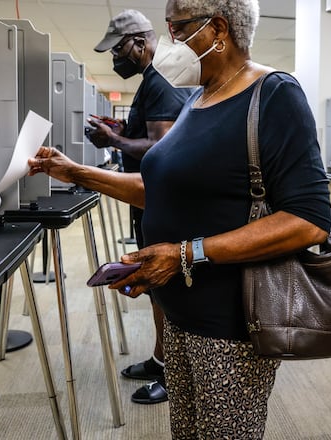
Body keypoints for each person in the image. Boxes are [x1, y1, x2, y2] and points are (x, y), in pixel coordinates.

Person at [29, 0, 331, 437]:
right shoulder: (197, 98)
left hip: (229, 324)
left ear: (217, 29)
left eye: (177, 27)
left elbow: (308, 219)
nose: (167, 40)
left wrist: (184, 253)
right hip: (179, 311)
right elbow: (163, 187)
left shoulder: (274, 93)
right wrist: (74, 171)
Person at [90, 9, 193, 405]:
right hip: (148, 199)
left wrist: (115, 143)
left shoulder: (162, 79)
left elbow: (163, 149)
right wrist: (120, 133)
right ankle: (159, 358)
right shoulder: (154, 78)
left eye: (119, 50)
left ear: (139, 42)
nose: (116, 59)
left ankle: (174, 375)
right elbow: (150, 135)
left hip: (163, 200)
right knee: (154, 289)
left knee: (165, 287)